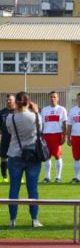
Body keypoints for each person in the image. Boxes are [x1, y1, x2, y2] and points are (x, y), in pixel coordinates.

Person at [5, 92, 43, 227]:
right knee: (32, 189)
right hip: (32, 155)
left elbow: (10, 132)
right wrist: (37, 112)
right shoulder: (35, 116)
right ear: (28, 102)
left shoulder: (11, 117)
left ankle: (12, 220)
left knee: (14, 188)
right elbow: (40, 130)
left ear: (16, 103)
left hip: (15, 154)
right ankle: (34, 219)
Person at [40, 91, 67, 183]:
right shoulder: (44, 110)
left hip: (57, 134)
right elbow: (42, 124)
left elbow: (64, 124)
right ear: (49, 98)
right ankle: (47, 177)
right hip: (46, 135)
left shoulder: (62, 109)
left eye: (54, 97)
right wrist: (41, 135)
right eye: (51, 97)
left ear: (58, 98)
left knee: (57, 156)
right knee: (46, 156)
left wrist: (64, 136)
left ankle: (58, 177)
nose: (53, 99)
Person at [0, 93, 16, 183]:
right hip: (5, 138)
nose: (8, 101)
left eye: (10, 99)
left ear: (14, 101)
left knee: (17, 157)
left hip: (16, 139)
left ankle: (19, 177)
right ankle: (4, 176)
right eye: (7, 99)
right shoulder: (1, 112)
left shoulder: (18, 112)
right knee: (3, 157)